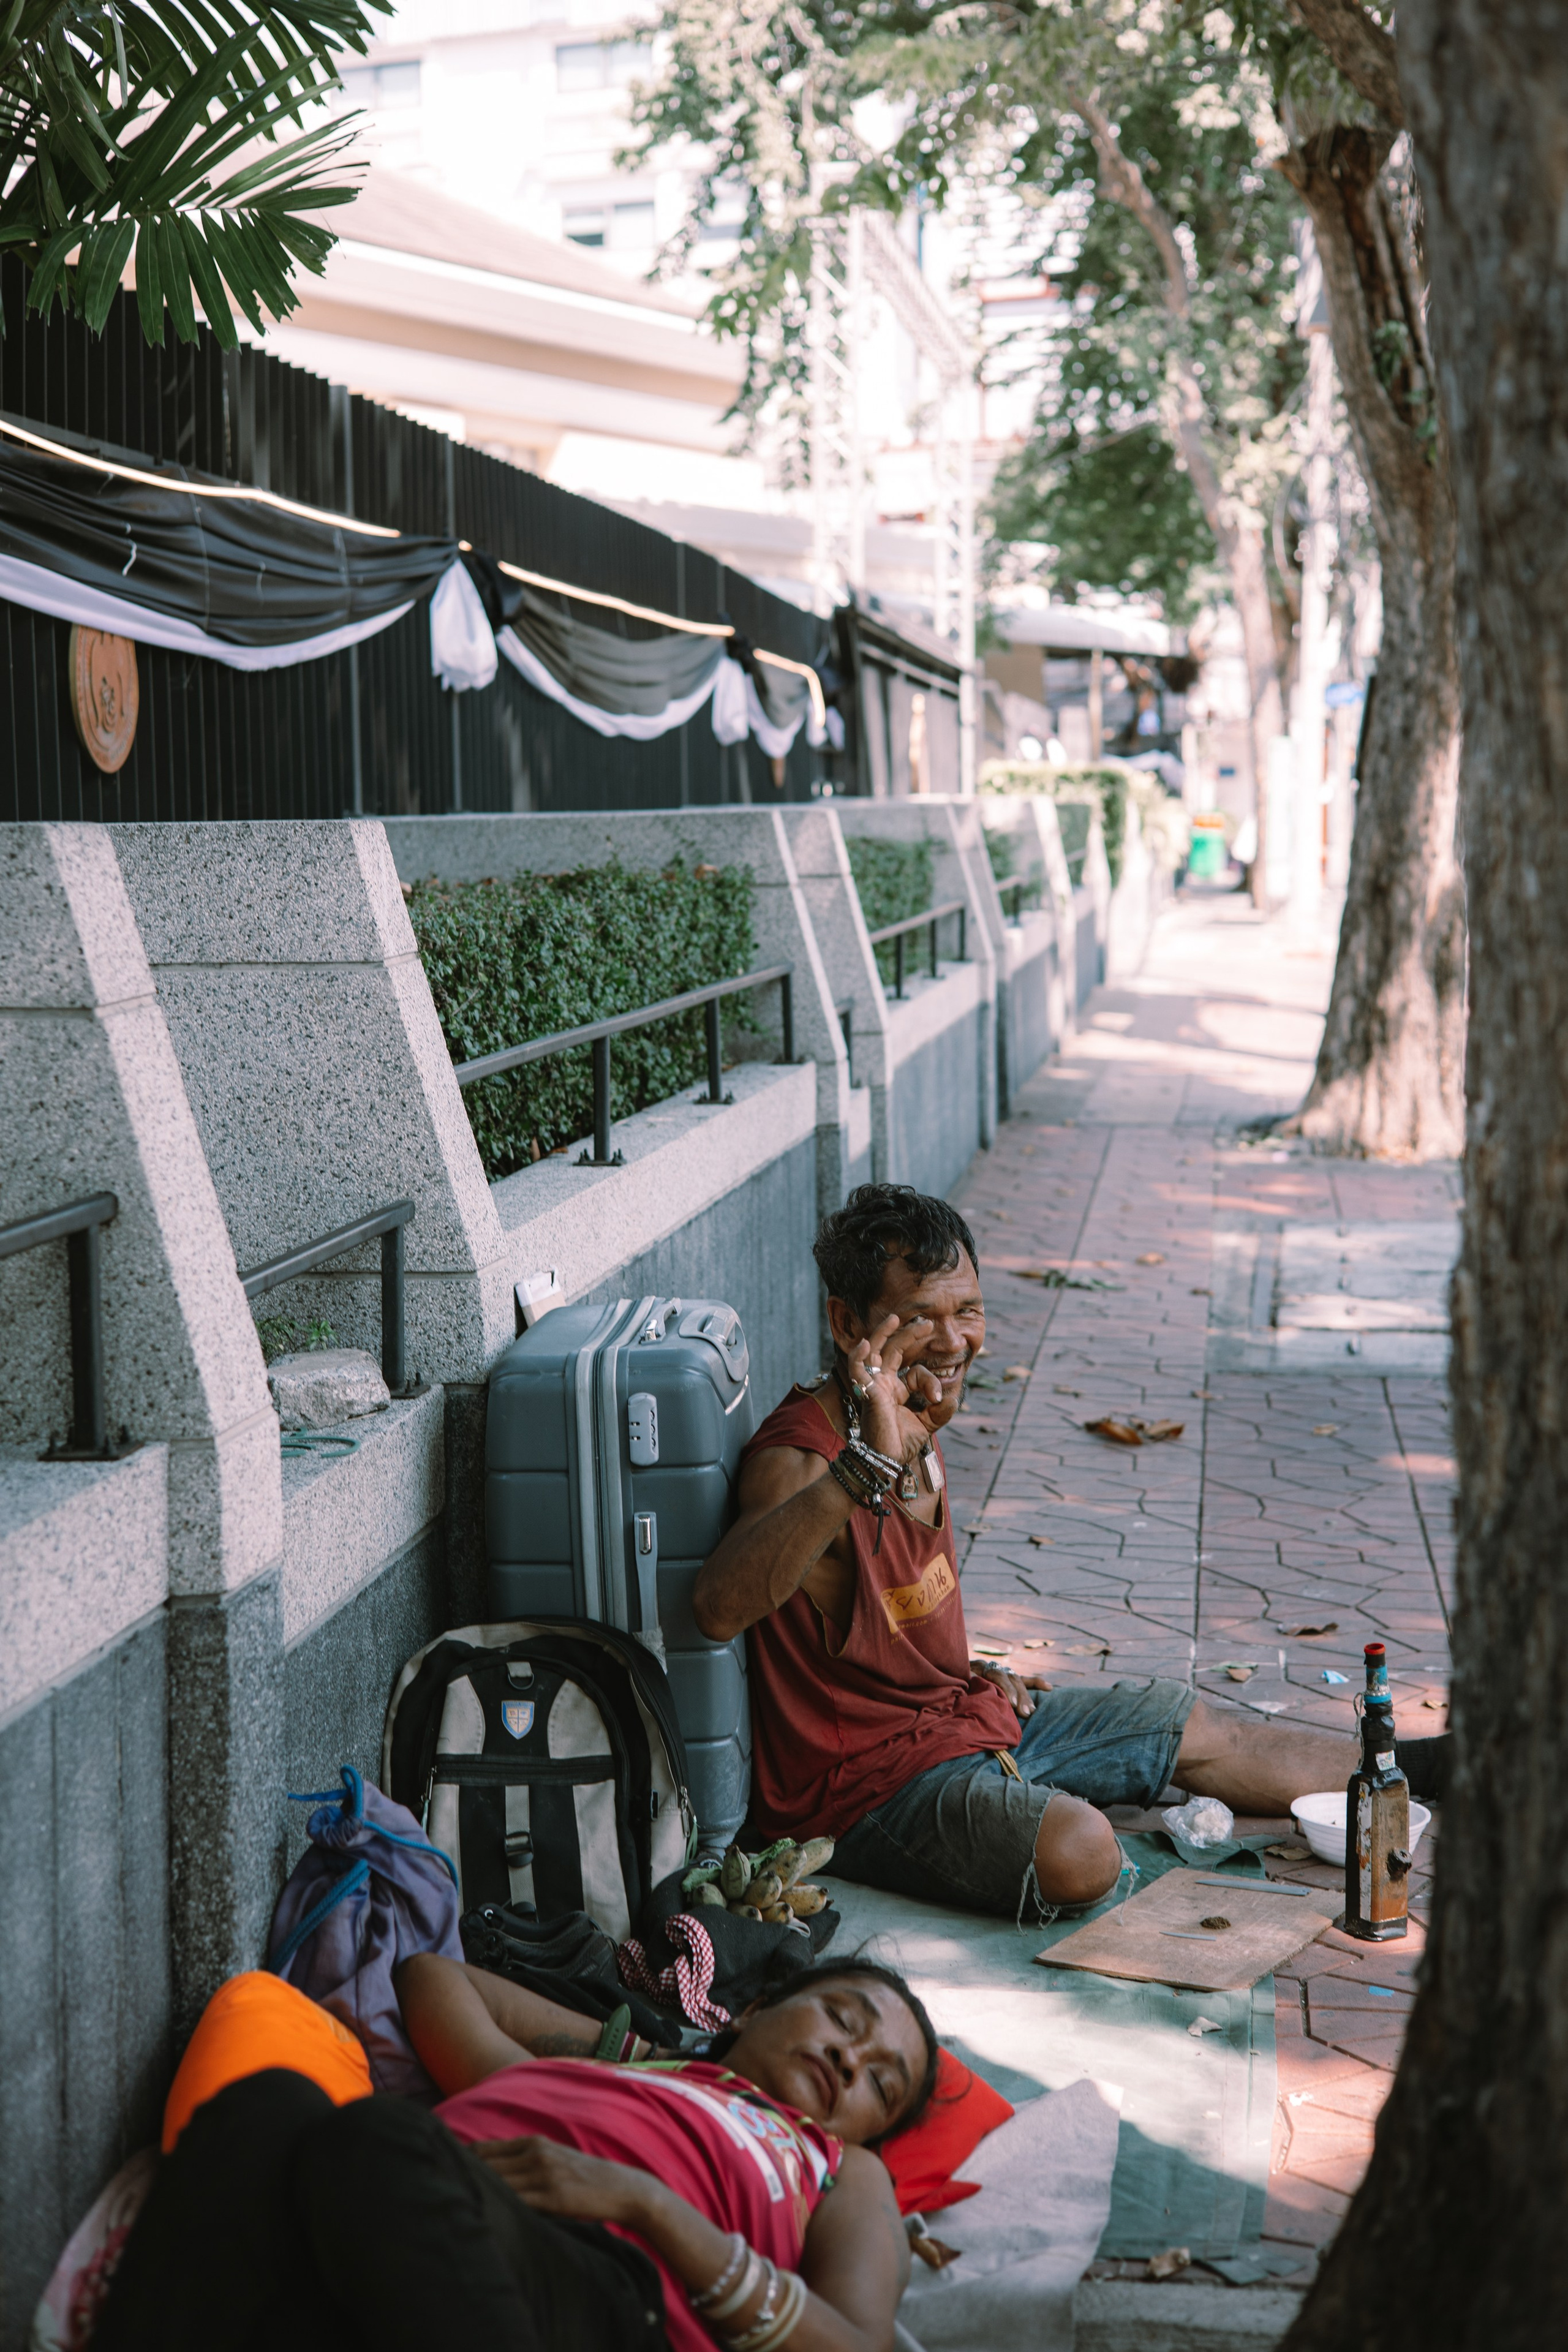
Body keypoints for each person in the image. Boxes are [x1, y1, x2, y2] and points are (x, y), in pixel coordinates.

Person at [693, 1183, 1451, 1921]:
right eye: (919, 1317)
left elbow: (881, 1622)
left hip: (955, 1719)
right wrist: (865, 1470)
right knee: (1080, 1852)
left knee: (1181, 1722)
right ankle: (1033, 1811)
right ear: (845, 1322)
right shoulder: (802, 1460)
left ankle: (1422, 1770)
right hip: (866, 1792)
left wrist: (964, 1673)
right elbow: (717, 1608)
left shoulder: (913, 1404)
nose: (954, 1343)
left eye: (968, 1311)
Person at [92, 1954, 935, 2352]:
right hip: (414, 2227)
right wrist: (644, 2060)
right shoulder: (612, 2077)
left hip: (611, 2298)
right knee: (266, 2105)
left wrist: (647, 2205)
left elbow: (855, 2348)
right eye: (843, 2018)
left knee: (373, 2138)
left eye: (881, 2083)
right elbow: (432, 1978)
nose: (849, 2060)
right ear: (750, 2009)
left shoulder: (838, 2169)